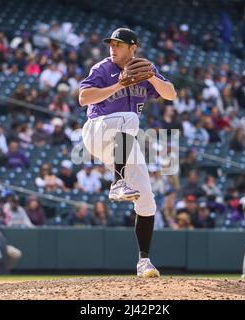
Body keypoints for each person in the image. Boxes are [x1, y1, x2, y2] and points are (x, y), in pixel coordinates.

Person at [79, 28, 176, 278]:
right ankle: (117, 182)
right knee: (130, 118)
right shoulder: (102, 69)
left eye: (119, 44)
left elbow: (171, 94)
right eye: (111, 43)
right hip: (98, 131)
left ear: (133, 48)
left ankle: (144, 262)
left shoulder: (145, 69)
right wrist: (118, 85)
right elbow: (83, 97)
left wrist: (152, 76)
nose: (113, 47)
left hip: (124, 139)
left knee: (147, 199)